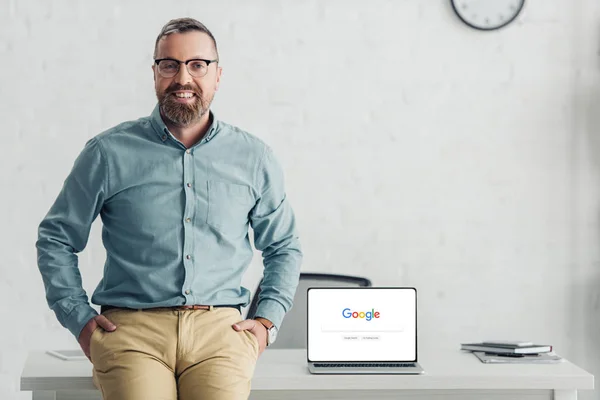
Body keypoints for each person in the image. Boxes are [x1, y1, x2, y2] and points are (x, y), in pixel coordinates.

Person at [36, 17, 302, 400]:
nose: (183, 78)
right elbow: (56, 238)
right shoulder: (108, 153)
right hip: (131, 331)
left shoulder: (253, 158)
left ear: (217, 75)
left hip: (221, 333)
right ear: (155, 73)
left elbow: (284, 246)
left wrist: (266, 323)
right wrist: (80, 321)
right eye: (169, 64)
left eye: (197, 64)